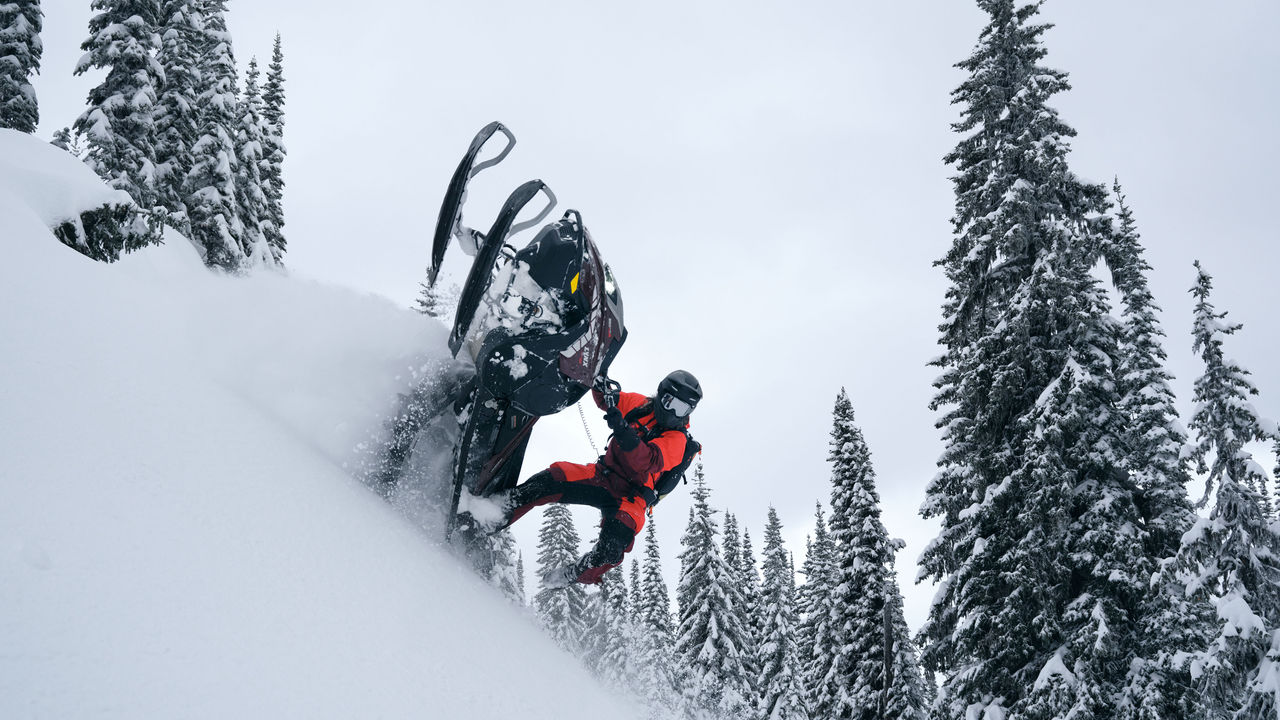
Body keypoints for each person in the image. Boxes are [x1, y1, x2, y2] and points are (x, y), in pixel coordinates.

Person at [486, 370, 703, 587]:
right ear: (660, 393)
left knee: (613, 546)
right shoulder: (641, 405)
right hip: (604, 475)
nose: (673, 412)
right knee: (548, 481)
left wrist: (622, 429)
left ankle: (576, 574)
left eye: (682, 408)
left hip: (632, 498)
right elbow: (607, 401)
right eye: (669, 402)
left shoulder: (678, 440)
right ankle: (489, 516)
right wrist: (599, 381)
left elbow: (645, 461)